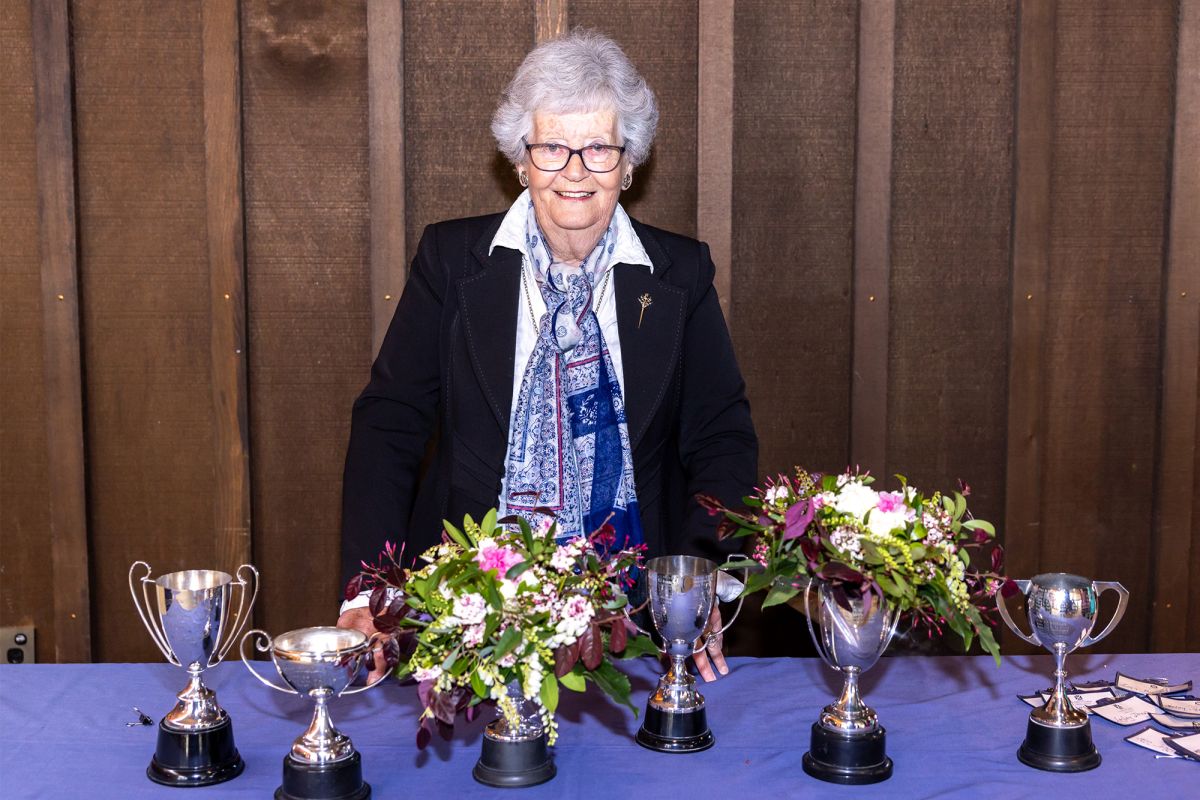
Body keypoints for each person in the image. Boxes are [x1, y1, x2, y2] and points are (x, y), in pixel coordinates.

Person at [338, 29, 756, 683]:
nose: (575, 172)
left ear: (629, 162)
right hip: (465, 619)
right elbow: (389, 425)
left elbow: (721, 439)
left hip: (634, 626)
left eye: (598, 149)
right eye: (553, 148)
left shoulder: (679, 276)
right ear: (521, 160)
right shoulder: (450, 264)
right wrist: (370, 590)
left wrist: (699, 576)